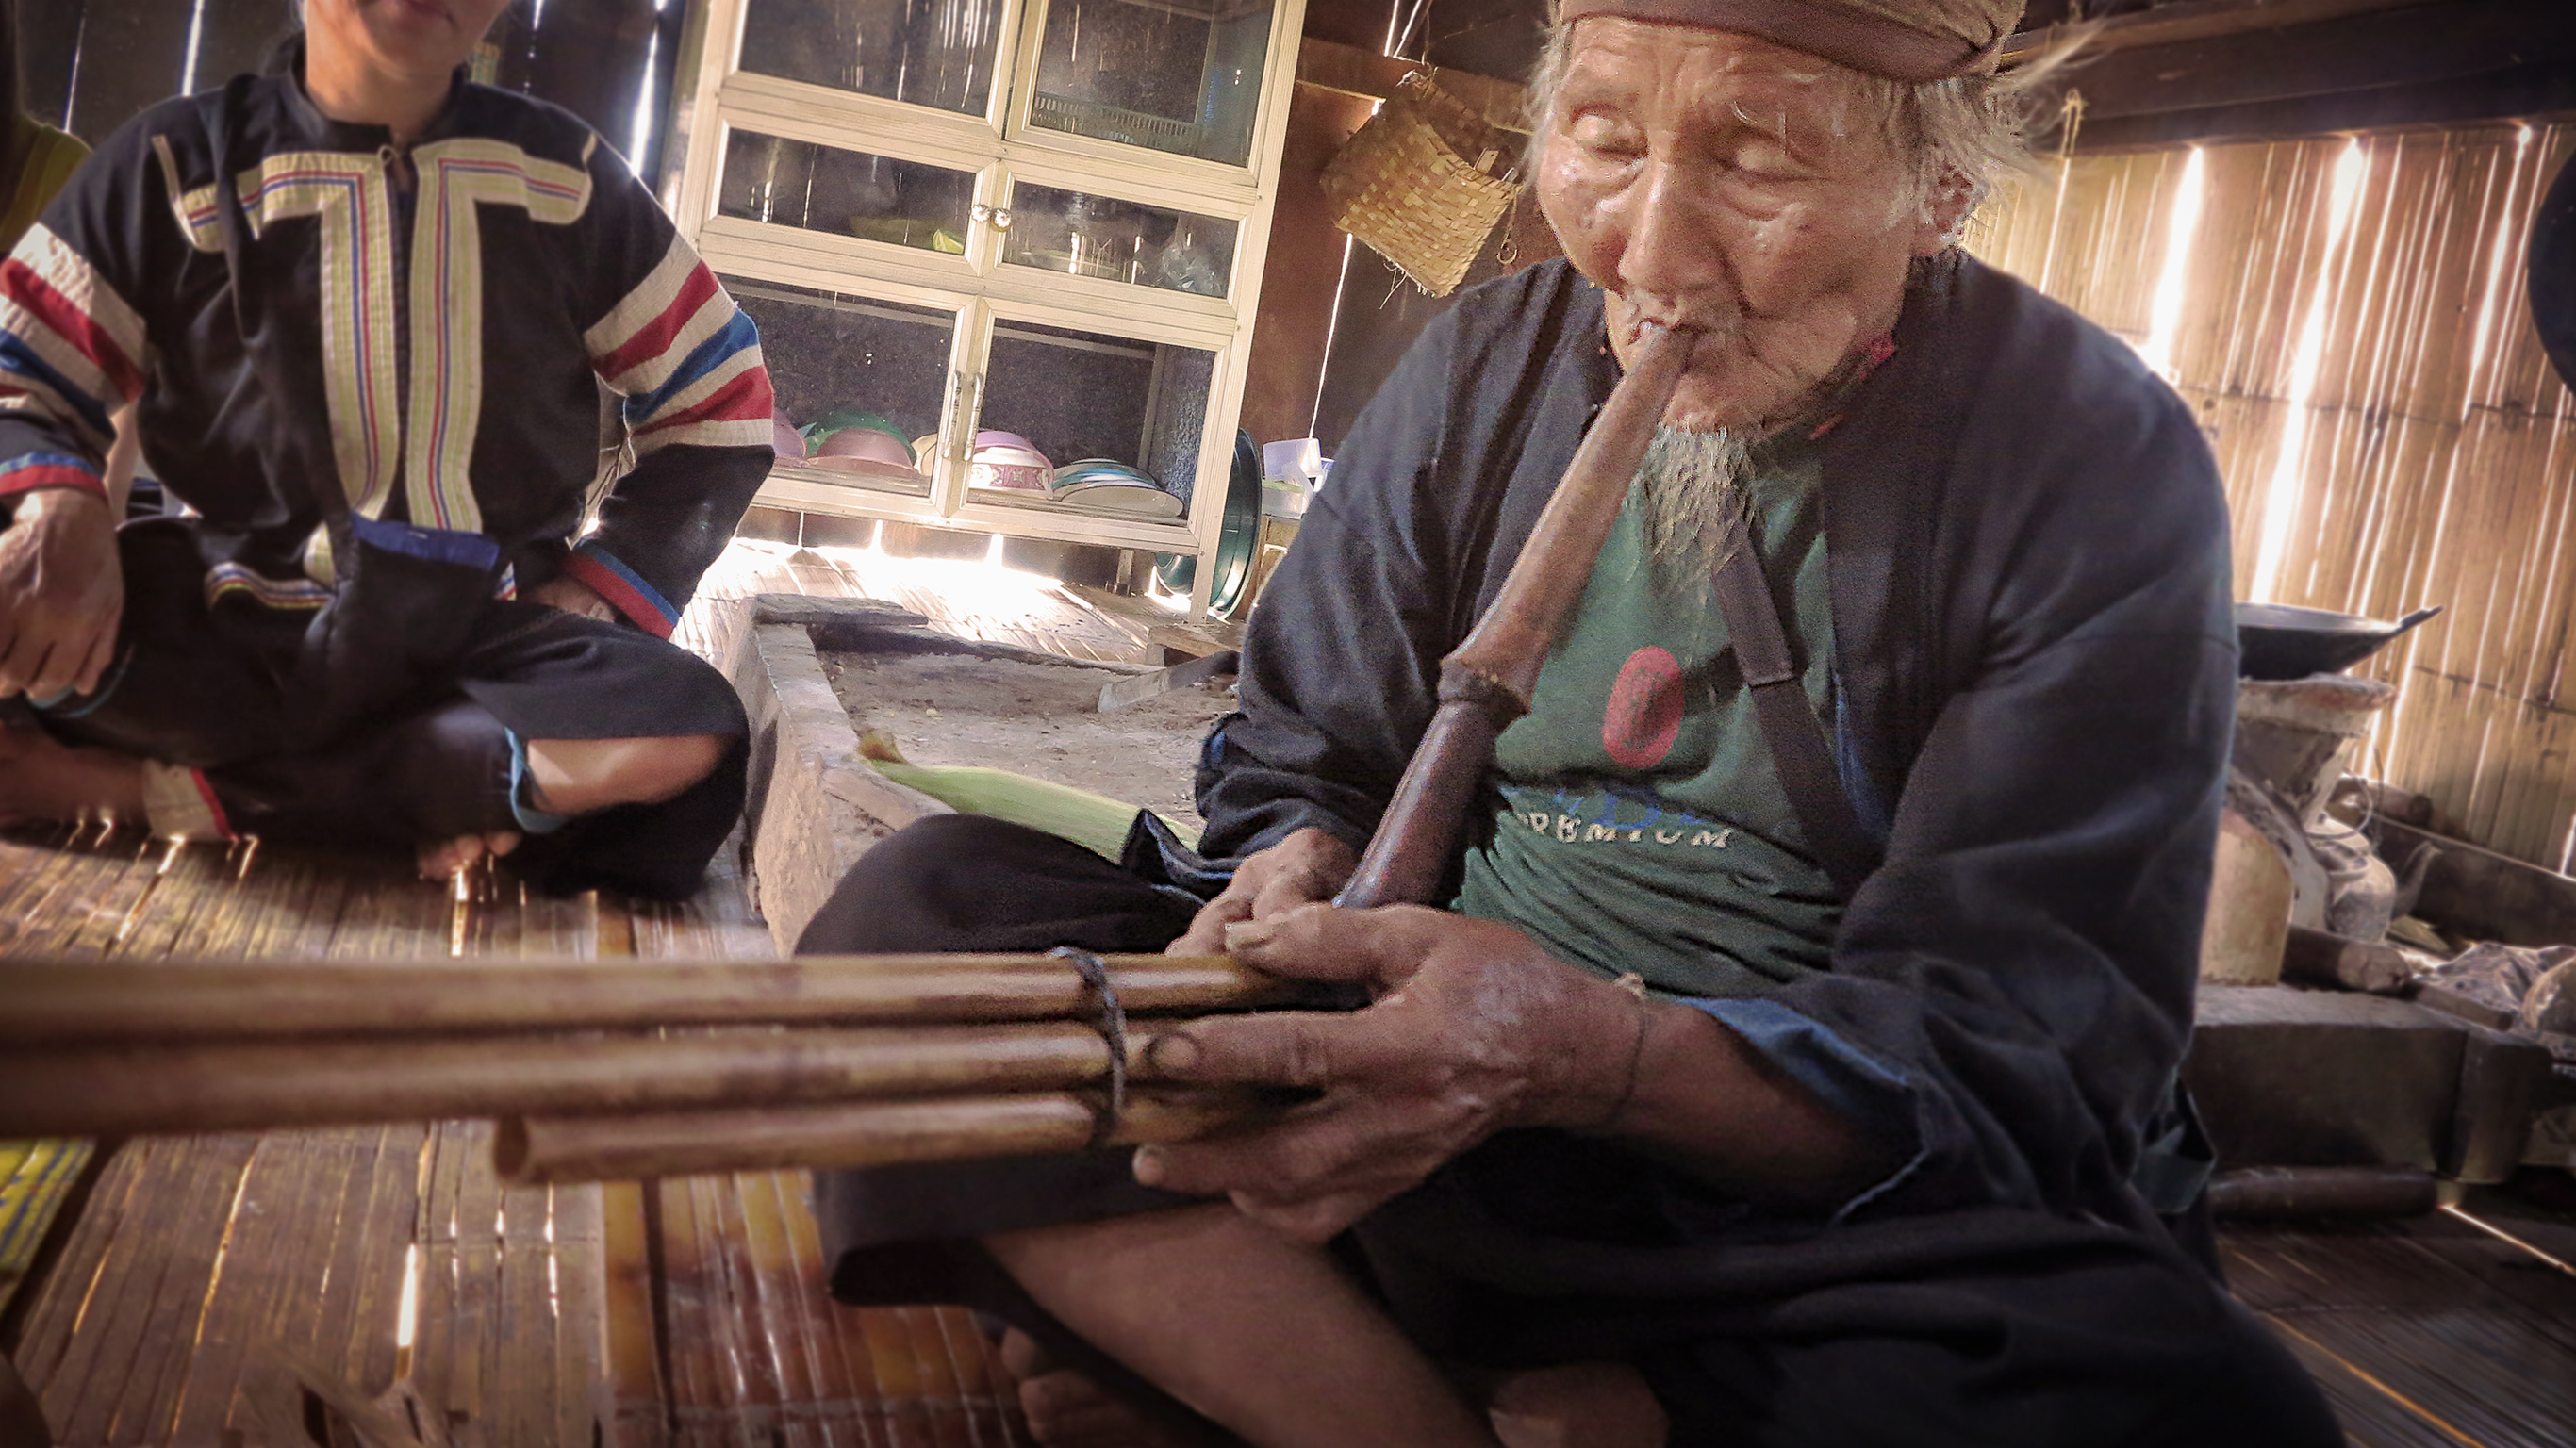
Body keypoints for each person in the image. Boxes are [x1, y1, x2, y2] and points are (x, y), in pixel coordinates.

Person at [800, 0, 2348, 1444]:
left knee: (2197, 1400)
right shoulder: (1490, 361)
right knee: (924, 918)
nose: (1647, 253)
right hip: (1408, 1100)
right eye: (1604, 140)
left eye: (1755, 159)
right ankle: (1479, 1397)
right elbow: (1302, 748)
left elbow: (2013, 1053)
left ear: (1936, 189)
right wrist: (1298, 854)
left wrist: (1593, 1056)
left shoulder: (2086, 458)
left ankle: (1258, 1352)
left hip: (1788, 1197)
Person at [0, 0, 774, 897]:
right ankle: (445, 792)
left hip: (476, 639)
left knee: (685, 727)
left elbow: (722, 403)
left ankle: (152, 794)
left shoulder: (567, 181)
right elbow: (24, 374)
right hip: (223, 622)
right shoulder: (172, 164)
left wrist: (606, 585)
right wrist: (59, 505)